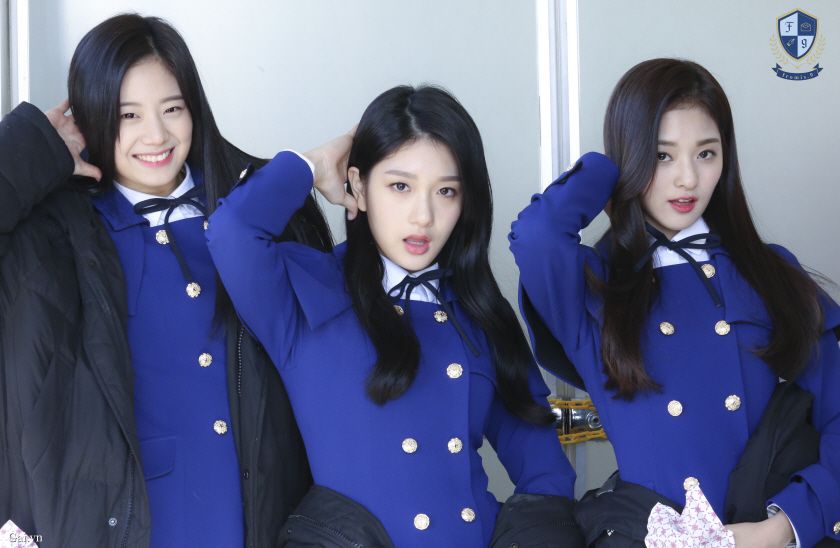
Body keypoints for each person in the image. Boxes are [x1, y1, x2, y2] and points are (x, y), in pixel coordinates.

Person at [0, 14, 331, 547]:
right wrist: (30, 147)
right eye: (127, 115)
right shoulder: (50, 240)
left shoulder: (259, 216)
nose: (156, 135)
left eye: (172, 109)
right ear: (91, 118)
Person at [206, 85, 583, 547]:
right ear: (360, 187)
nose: (423, 216)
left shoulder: (479, 313)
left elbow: (544, 473)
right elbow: (232, 230)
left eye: (446, 191)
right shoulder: (309, 291)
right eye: (400, 186)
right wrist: (315, 165)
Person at [509, 58, 840, 547]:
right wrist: (610, 168)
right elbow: (536, 235)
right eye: (662, 156)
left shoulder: (768, 273)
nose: (688, 179)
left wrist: (782, 527)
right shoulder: (594, 286)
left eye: (706, 153)